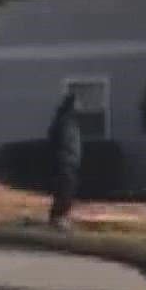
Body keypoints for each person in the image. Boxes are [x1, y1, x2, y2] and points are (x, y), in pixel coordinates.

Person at [48, 91, 83, 228]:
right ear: (72, 104)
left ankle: (60, 217)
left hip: (71, 161)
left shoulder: (70, 120)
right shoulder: (64, 120)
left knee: (68, 190)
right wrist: (64, 156)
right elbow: (59, 141)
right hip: (65, 162)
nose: (81, 106)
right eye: (78, 103)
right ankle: (58, 218)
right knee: (64, 190)